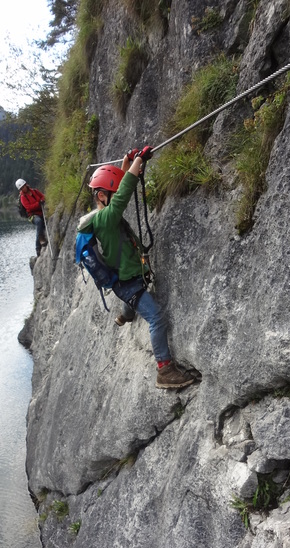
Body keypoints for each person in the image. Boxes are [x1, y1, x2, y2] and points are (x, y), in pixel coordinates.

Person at [78, 146, 195, 390]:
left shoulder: (103, 216)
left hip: (127, 277)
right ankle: (165, 370)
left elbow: (119, 190)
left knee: (135, 292)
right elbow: (123, 195)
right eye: (110, 192)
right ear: (102, 196)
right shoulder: (106, 219)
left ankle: (126, 314)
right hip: (127, 282)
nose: (115, 194)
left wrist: (128, 162)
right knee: (157, 317)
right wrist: (139, 160)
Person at [15, 179, 47, 256]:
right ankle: (38, 245)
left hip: (41, 212)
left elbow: (42, 196)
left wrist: (42, 200)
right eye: (21, 188)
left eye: (24, 186)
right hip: (33, 216)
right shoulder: (23, 197)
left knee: (43, 223)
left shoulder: (35, 191)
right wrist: (39, 203)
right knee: (39, 222)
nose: (23, 188)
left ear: (26, 184)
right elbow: (29, 208)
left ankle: (39, 245)